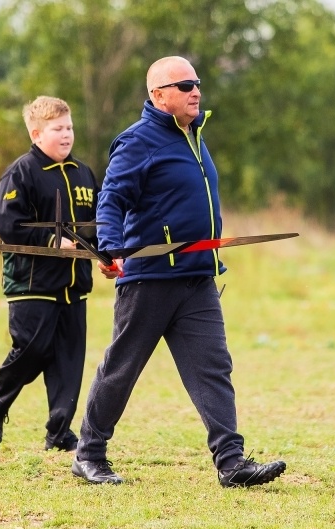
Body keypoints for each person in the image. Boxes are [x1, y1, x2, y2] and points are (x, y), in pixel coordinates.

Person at [71, 56, 287, 487]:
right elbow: (111, 199)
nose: (195, 91)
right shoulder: (137, 141)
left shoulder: (194, 137)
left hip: (197, 278)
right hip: (150, 279)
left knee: (213, 367)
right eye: (185, 85)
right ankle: (89, 454)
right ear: (158, 96)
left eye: (197, 83)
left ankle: (231, 462)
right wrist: (110, 247)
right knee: (122, 368)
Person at [0, 95, 99, 452]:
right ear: (36, 133)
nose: (66, 135)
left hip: (74, 284)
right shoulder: (22, 172)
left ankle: (59, 432)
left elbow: (96, 228)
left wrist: (105, 255)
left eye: (70, 127)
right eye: (58, 129)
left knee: (68, 359)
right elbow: (6, 223)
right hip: (32, 283)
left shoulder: (84, 173)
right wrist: (50, 239)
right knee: (32, 349)